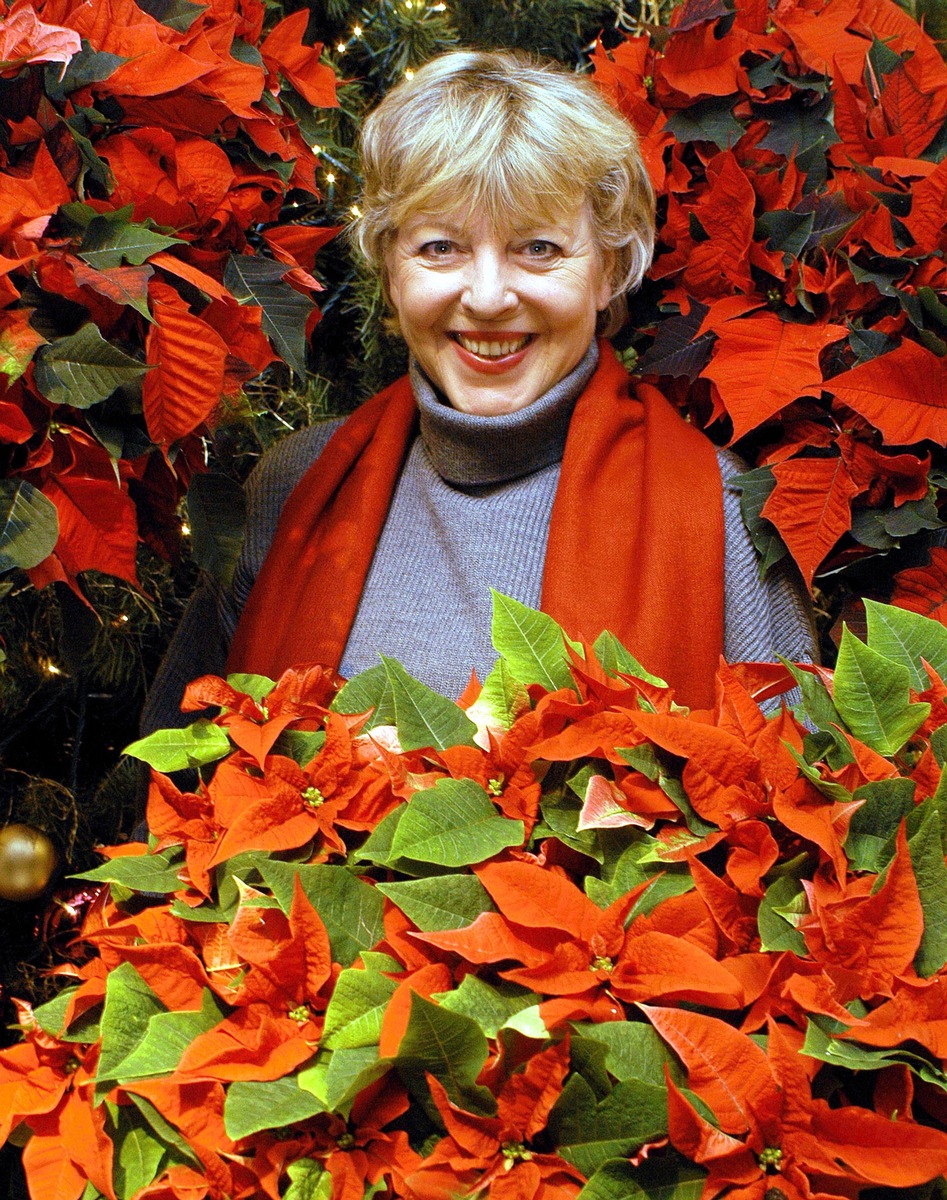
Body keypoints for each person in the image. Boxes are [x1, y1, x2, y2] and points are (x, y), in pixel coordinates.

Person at [141, 49, 814, 737]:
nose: (488, 298)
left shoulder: (722, 511)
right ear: (389, 266)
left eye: (539, 248)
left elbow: (798, 816)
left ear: (608, 270)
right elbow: (172, 804)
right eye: (440, 248)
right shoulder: (291, 485)